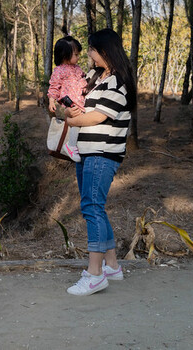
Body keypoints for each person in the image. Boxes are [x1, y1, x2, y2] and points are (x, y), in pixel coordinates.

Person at [64, 28, 137, 296]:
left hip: (102, 153)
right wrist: (68, 108)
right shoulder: (97, 77)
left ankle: (94, 274)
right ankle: (112, 266)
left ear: (105, 50)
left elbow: (97, 117)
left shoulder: (119, 82)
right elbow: (84, 106)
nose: (90, 55)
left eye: (93, 50)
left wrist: (70, 120)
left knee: (92, 208)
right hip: (87, 151)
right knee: (94, 208)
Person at [47, 36, 87, 162]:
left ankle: (75, 144)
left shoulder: (77, 68)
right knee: (77, 121)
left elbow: (83, 79)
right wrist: (51, 100)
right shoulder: (59, 70)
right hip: (71, 102)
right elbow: (54, 86)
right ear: (65, 55)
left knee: (81, 122)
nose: (78, 57)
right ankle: (71, 145)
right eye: (76, 54)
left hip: (81, 100)